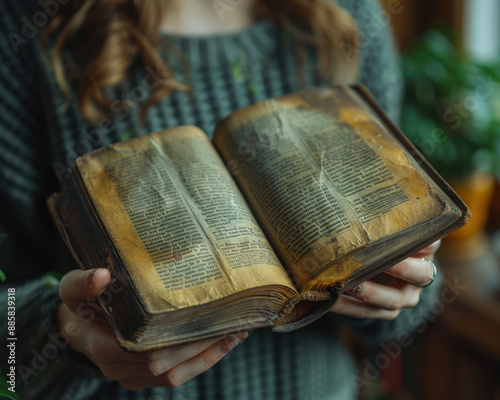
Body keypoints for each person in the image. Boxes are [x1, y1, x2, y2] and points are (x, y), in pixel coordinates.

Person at [0, 0, 442, 399]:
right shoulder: (25, 35)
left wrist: (400, 286)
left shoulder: (348, 15)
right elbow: (11, 340)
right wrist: (66, 337)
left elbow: (416, 290)